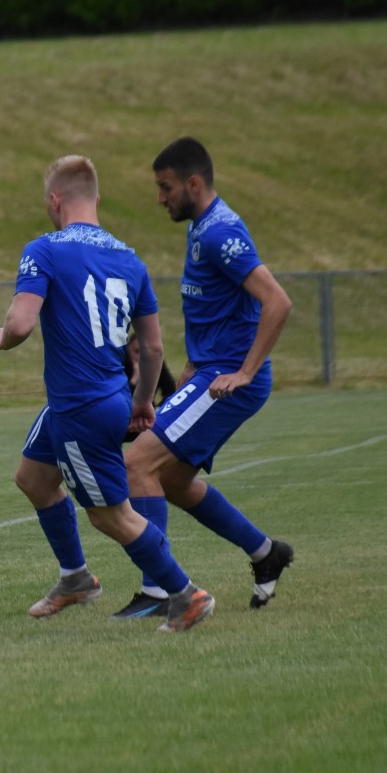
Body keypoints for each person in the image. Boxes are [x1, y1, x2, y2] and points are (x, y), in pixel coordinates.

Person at [0, 155, 213, 634]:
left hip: (80, 406)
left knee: (111, 517)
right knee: (33, 477)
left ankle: (185, 594)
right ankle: (75, 579)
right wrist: (143, 401)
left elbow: (21, 324)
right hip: (102, 397)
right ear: (97, 198)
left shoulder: (44, 249)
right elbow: (152, 348)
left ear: (55, 200)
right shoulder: (130, 259)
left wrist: (1, 339)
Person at [122, 137, 295, 618]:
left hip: (226, 381)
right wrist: (189, 374)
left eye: (166, 187)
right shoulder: (202, 228)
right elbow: (214, 311)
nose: (160, 198)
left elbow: (277, 301)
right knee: (172, 480)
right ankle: (266, 553)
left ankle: (160, 593)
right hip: (208, 374)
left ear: (193, 184)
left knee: (138, 464)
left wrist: (245, 371)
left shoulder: (220, 232)